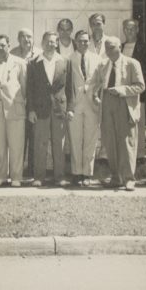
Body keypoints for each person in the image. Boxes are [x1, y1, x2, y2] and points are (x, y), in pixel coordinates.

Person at [95, 36, 145, 191]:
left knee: (127, 143)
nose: (108, 50)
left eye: (112, 47)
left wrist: (122, 90)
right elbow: (97, 84)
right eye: (106, 47)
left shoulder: (132, 63)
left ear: (120, 48)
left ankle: (129, 178)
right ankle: (116, 177)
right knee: (110, 143)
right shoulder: (103, 64)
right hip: (107, 104)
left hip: (124, 104)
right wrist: (96, 96)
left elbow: (140, 86)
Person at [27, 31, 69, 187]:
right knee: (40, 143)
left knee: (59, 144)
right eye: (48, 41)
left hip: (59, 109)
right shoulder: (33, 63)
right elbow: (29, 89)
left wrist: (69, 108)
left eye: (53, 42)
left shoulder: (64, 61)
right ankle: (39, 177)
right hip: (40, 109)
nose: (51, 44)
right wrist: (31, 110)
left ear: (57, 43)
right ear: (42, 43)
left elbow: (69, 87)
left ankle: (60, 177)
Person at [0, 34, 27, 187]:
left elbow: (25, 87)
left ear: (9, 46)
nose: (0, 48)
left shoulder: (20, 63)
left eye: (3, 45)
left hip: (15, 108)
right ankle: (1, 175)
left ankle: (17, 176)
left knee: (16, 144)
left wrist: (23, 105)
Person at [65, 30, 102, 187]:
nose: (84, 44)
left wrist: (96, 94)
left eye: (86, 41)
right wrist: (69, 106)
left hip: (92, 105)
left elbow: (101, 80)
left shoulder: (98, 59)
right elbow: (67, 84)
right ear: (76, 42)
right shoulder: (69, 59)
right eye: (80, 41)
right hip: (75, 105)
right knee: (75, 140)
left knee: (90, 141)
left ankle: (87, 173)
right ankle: (76, 173)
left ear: (90, 41)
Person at [10, 27, 42, 177]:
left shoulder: (40, 54)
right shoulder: (12, 54)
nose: (26, 40)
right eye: (23, 37)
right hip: (18, 102)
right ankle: (17, 171)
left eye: (29, 37)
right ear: (18, 39)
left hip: (35, 102)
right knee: (18, 139)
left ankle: (32, 171)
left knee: (35, 138)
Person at [121, 19, 146, 169]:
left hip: (138, 92)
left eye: (132, 29)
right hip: (122, 93)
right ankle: (126, 154)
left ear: (137, 30)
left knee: (138, 123)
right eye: (126, 29)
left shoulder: (144, 49)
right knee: (125, 125)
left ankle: (139, 155)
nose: (129, 31)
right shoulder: (120, 47)